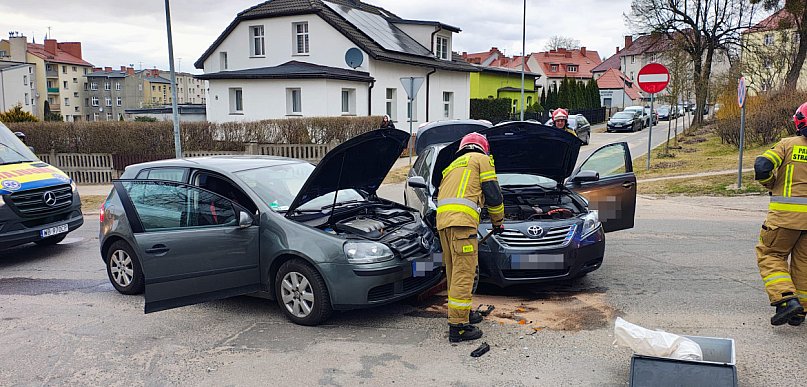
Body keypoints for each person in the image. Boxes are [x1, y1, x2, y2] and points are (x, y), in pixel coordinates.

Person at [436, 132, 505, 342]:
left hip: (444, 224)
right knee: (464, 273)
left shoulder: (453, 165)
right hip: (462, 224)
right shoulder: (481, 159)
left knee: (454, 271)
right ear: (483, 148)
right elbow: (493, 194)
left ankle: (462, 313)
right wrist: (498, 222)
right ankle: (458, 327)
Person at [753, 101, 807, 326]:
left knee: (771, 255)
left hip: (784, 218)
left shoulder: (787, 145)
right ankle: (800, 311)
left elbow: (762, 166)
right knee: (804, 265)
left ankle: (786, 301)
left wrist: (771, 183)